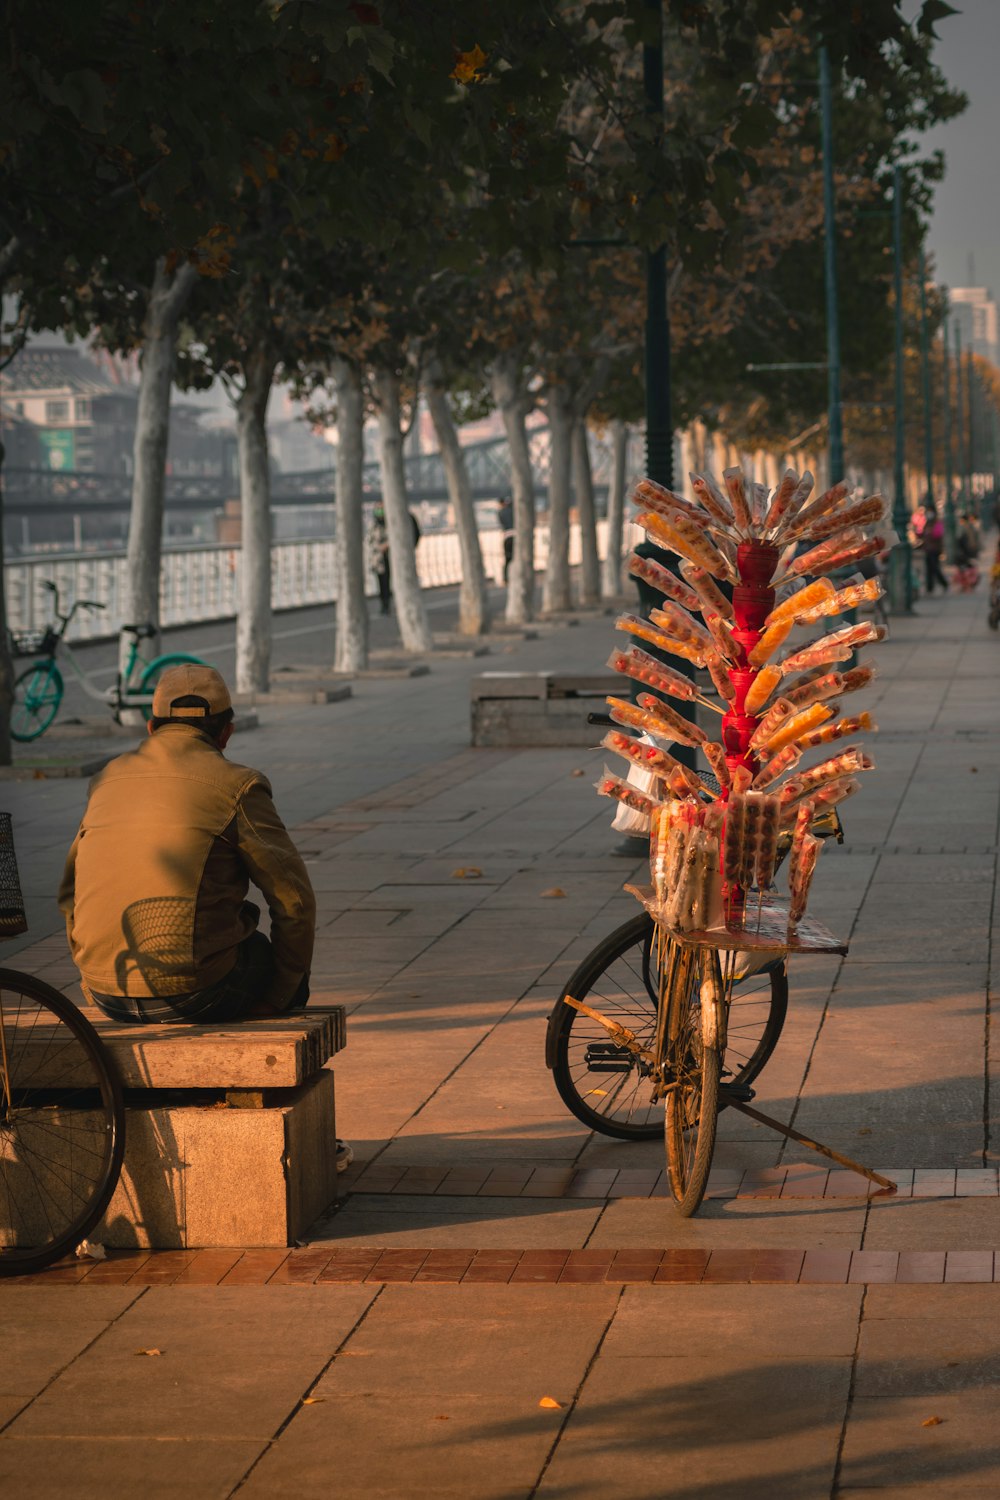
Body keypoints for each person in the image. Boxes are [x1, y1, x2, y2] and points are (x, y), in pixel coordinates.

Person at [58, 664, 316, 1024]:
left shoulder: (107, 778)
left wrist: (93, 978)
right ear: (227, 733)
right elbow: (295, 900)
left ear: (151, 728)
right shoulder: (239, 785)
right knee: (266, 953)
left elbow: (69, 894)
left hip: (106, 990)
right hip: (196, 994)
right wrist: (281, 994)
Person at [919, 503, 949, 594]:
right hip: (928, 549)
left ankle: (944, 583)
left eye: (930, 511)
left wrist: (929, 533)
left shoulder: (937, 522)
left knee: (935, 567)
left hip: (935, 549)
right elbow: (922, 534)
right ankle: (930, 587)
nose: (928, 513)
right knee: (929, 568)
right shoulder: (927, 523)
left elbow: (938, 534)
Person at [367, 505, 391, 615]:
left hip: (389, 558)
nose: (380, 513)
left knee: (387, 582)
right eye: (378, 510)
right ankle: (384, 604)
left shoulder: (390, 525)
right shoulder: (373, 526)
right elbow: (369, 541)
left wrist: (387, 545)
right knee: (381, 583)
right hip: (378, 560)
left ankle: (387, 603)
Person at [497, 495, 515, 583]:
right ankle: (514, 576)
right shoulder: (512, 510)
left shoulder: (500, 512)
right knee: (515, 557)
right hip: (516, 536)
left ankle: (505, 578)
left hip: (507, 536)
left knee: (507, 559)